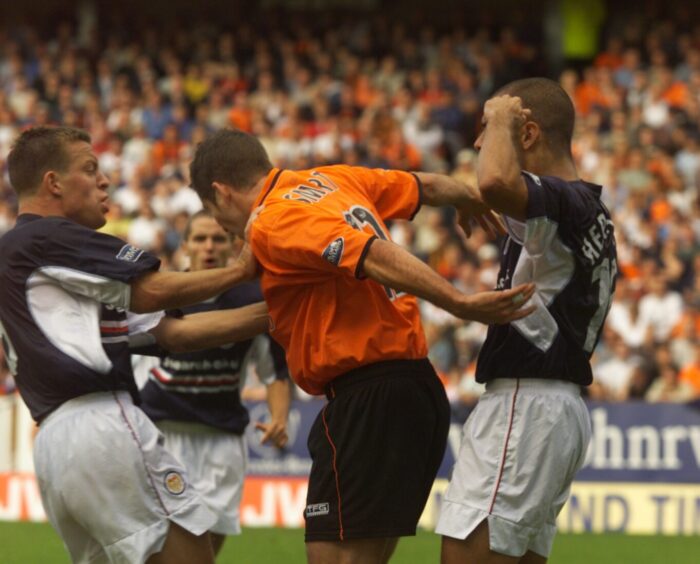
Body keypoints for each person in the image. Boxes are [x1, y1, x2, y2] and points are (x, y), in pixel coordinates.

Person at [189, 128, 535, 564]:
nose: (224, 230)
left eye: (213, 215)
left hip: (367, 396)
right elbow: (424, 185)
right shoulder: (332, 180)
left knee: (335, 558)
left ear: (220, 193)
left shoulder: (273, 221)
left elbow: (372, 255)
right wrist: (464, 196)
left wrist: (459, 302)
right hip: (413, 388)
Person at [0, 126, 269, 564]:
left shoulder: (41, 263)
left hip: (56, 443)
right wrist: (241, 270)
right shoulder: (49, 238)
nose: (105, 181)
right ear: (53, 183)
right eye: (90, 169)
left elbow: (174, 334)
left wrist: (278, 315)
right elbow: (152, 290)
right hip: (102, 425)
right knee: (193, 557)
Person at [436, 78, 617, 564]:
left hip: (526, 403)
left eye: (485, 132)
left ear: (528, 134)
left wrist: (499, 114)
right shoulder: (585, 207)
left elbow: (495, 182)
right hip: (552, 407)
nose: (478, 144)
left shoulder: (561, 199)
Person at [138, 210, 291, 556]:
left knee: (203, 555)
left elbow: (275, 373)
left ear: (233, 247)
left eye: (218, 238)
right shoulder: (159, 296)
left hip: (221, 443)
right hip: (160, 438)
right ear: (186, 246)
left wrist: (279, 417)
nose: (209, 247)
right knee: (153, 552)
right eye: (200, 239)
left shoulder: (253, 301)